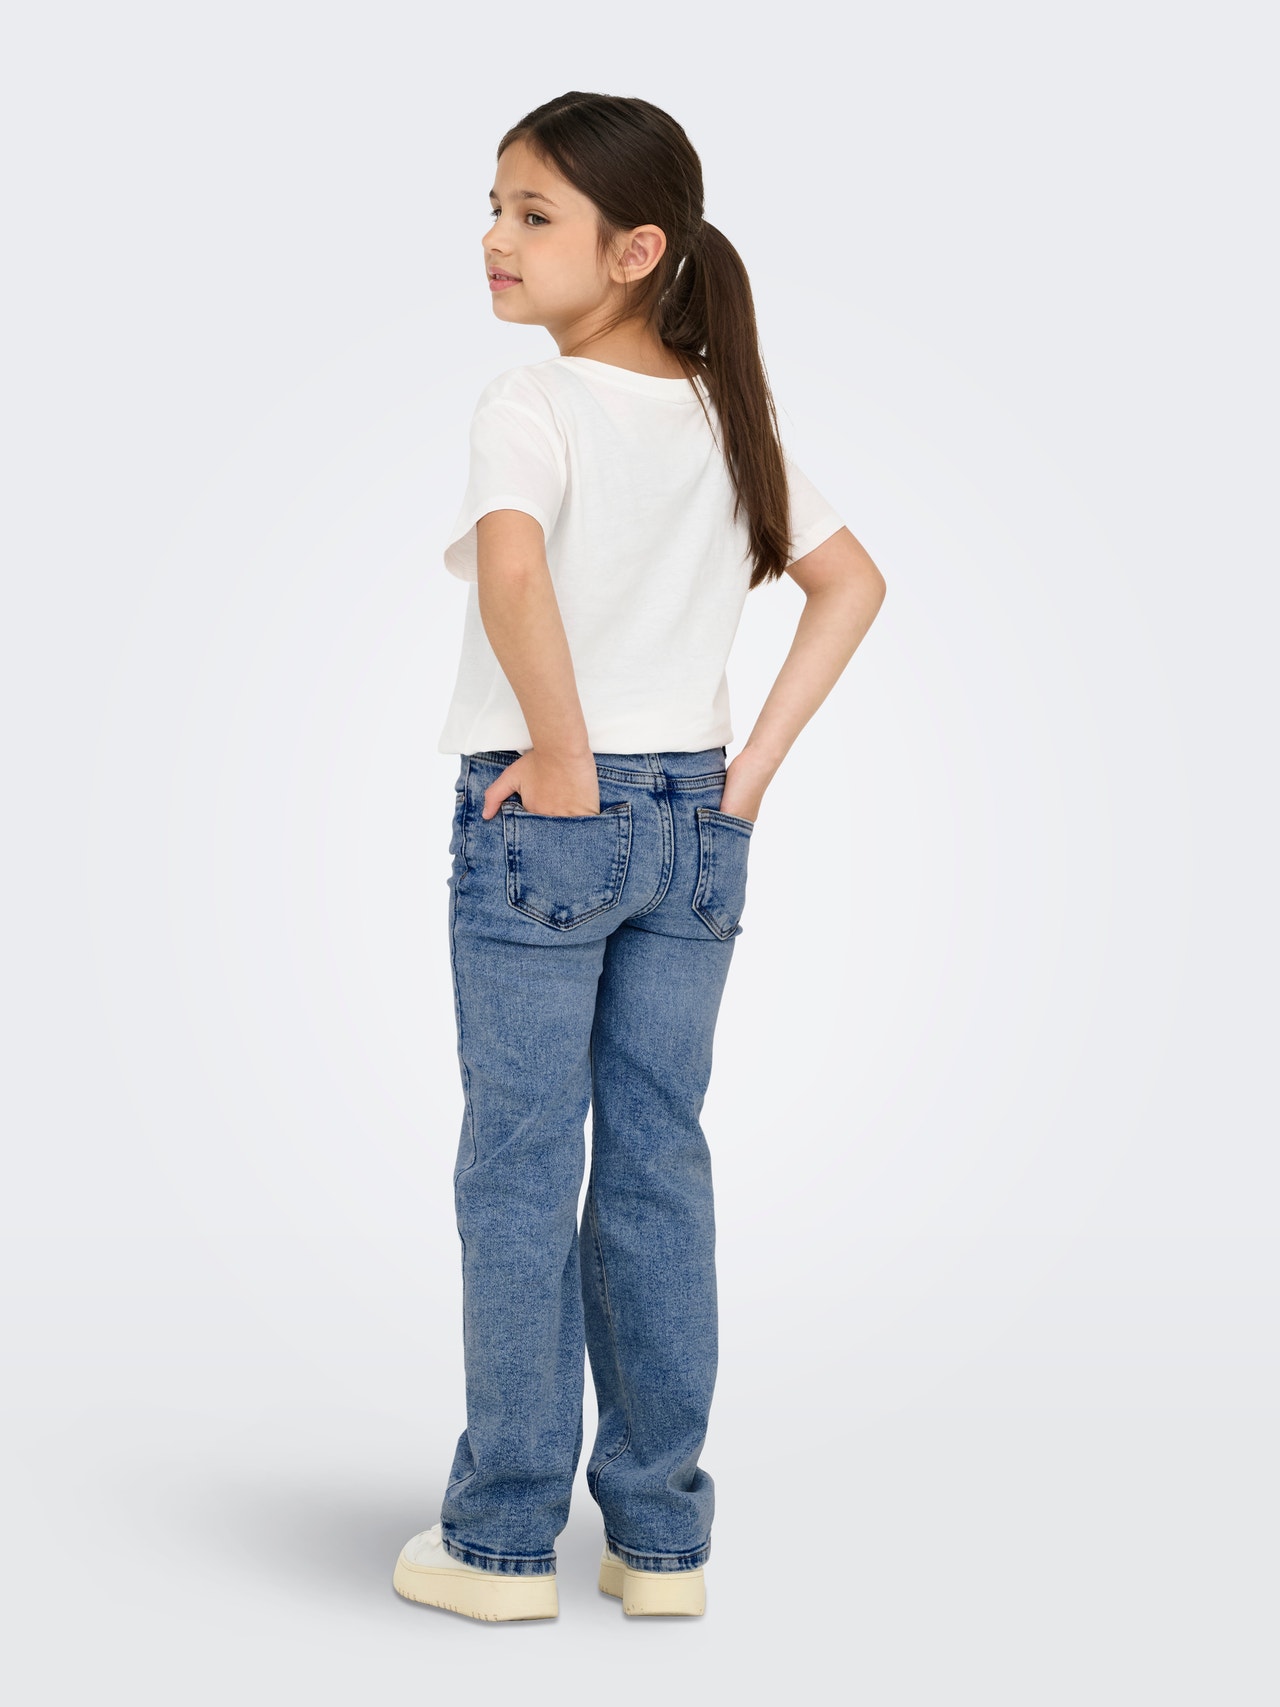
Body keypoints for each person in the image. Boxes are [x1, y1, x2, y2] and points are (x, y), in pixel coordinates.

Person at [393, 91, 886, 1623]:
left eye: (534, 213)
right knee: (659, 1163)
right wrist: (745, 779)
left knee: (523, 1166)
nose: (496, 236)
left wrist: (557, 751)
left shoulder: (530, 402)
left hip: (555, 819)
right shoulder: (727, 412)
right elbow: (853, 585)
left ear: (636, 248)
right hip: (693, 824)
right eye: (494, 205)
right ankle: (660, 1543)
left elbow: (514, 569)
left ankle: (501, 1544)